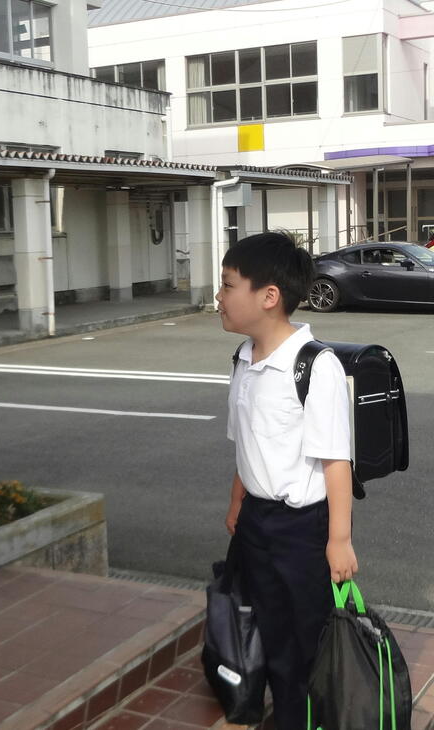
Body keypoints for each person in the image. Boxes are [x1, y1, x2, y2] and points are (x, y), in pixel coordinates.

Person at [217, 232, 358, 730]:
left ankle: (319, 718)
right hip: (257, 522)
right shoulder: (243, 359)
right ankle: (291, 717)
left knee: (311, 636)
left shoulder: (314, 366)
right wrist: (238, 503)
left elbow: (336, 461)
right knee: (272, 629)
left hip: (303, 529)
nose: (219, 297)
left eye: (228, 285)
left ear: (269, 296)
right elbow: (247, 443)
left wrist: (339, 540)